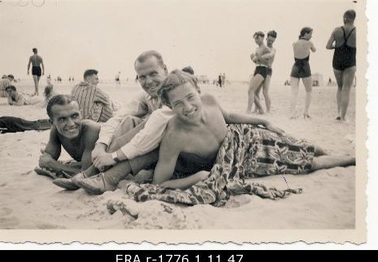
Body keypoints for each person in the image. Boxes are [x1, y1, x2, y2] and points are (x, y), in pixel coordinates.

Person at [119, 70, 355, 195]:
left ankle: (340, 153)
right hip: (243, 163)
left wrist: (263, 122)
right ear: (169, 107)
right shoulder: (174, 135)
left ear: (198, 91)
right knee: (307, 163)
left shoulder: (209, 100)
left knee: (306, 146)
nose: (188, 107)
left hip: (249, 137)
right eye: (178, 103)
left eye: (190, 97)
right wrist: (196, 179)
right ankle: (350, 159)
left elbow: (230, 117)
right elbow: (161, 183)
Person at [53, 50, 174, 192]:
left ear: (165, 69)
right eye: (142, 77)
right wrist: (101, 145)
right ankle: (92, 173)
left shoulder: (176, 94)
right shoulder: (148, 96)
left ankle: (106, 178)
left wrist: (113, 157)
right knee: (129, 120)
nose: (148, 82)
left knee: (150, 124)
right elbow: (117, 117)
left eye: (153, 74)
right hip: (152, 149)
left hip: (175, 155)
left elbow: (148, 137)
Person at [34, 94, 100, 179]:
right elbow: (46, 160)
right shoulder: (56, 131)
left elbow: (86, 174)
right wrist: (49, 162)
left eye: (75, 116)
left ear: (81, 114)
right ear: (52, 122)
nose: (71, 124)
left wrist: (56, 166)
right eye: (62, 119)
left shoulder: (91, 130)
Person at [326, 9, 357, 122]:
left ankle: (338, 113)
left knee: (339, 87)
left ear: (345, 18)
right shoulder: (357, 31)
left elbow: (328, 46)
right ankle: (343, 117)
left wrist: (338, 47)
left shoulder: (337, 30)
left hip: (337, 60)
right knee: (346, 89)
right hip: (350, 60)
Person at [289, 27, 316, 119]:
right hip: (305, 67)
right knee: (309, 91)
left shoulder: (294, 43)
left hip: (295, 67)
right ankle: (306, 112)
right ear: (305, 33)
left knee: (294, 92)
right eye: (310, 34)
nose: (311, 36)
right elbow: (314, 50)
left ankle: (292, 113)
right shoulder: (309, 43)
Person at [254, 30, 277, 114]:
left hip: (268, 70)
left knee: (265, 91)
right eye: (269, 40)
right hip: (260, 69)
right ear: (266, 38)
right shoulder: (261, 47)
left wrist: (258, 57)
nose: (271, 42)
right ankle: (256, 109)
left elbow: (271, 55)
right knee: (256, 91)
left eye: (273, 41)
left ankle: (268, 110)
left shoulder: (273, 49)